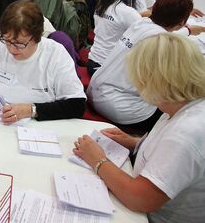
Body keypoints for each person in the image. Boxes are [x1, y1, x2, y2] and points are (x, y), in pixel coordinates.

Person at [74, 33, 205, 223]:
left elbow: (139, 199)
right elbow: (168, 155)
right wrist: (134, 143)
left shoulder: (185, 134)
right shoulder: (183, 105)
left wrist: (98, 159)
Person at [88, 0, 205, 132]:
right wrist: (188, 30)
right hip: (118, 106)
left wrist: (187, 30)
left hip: (96, 91)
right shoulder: (160, 42)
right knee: (178, 107)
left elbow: (158, 35)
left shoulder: (140, 24)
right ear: (181, 22)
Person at [0, 0, 86, 123]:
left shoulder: (55, 55)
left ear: (38, 37)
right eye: (7, 40)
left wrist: (32, 110)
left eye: (19, 44)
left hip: (37, 128)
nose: (11, 49)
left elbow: (77, 105)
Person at [88, 0, 143, 76]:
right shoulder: (127, 12)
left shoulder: (101, 5)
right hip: (108, 68)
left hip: (93, 60)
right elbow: (145, 36)